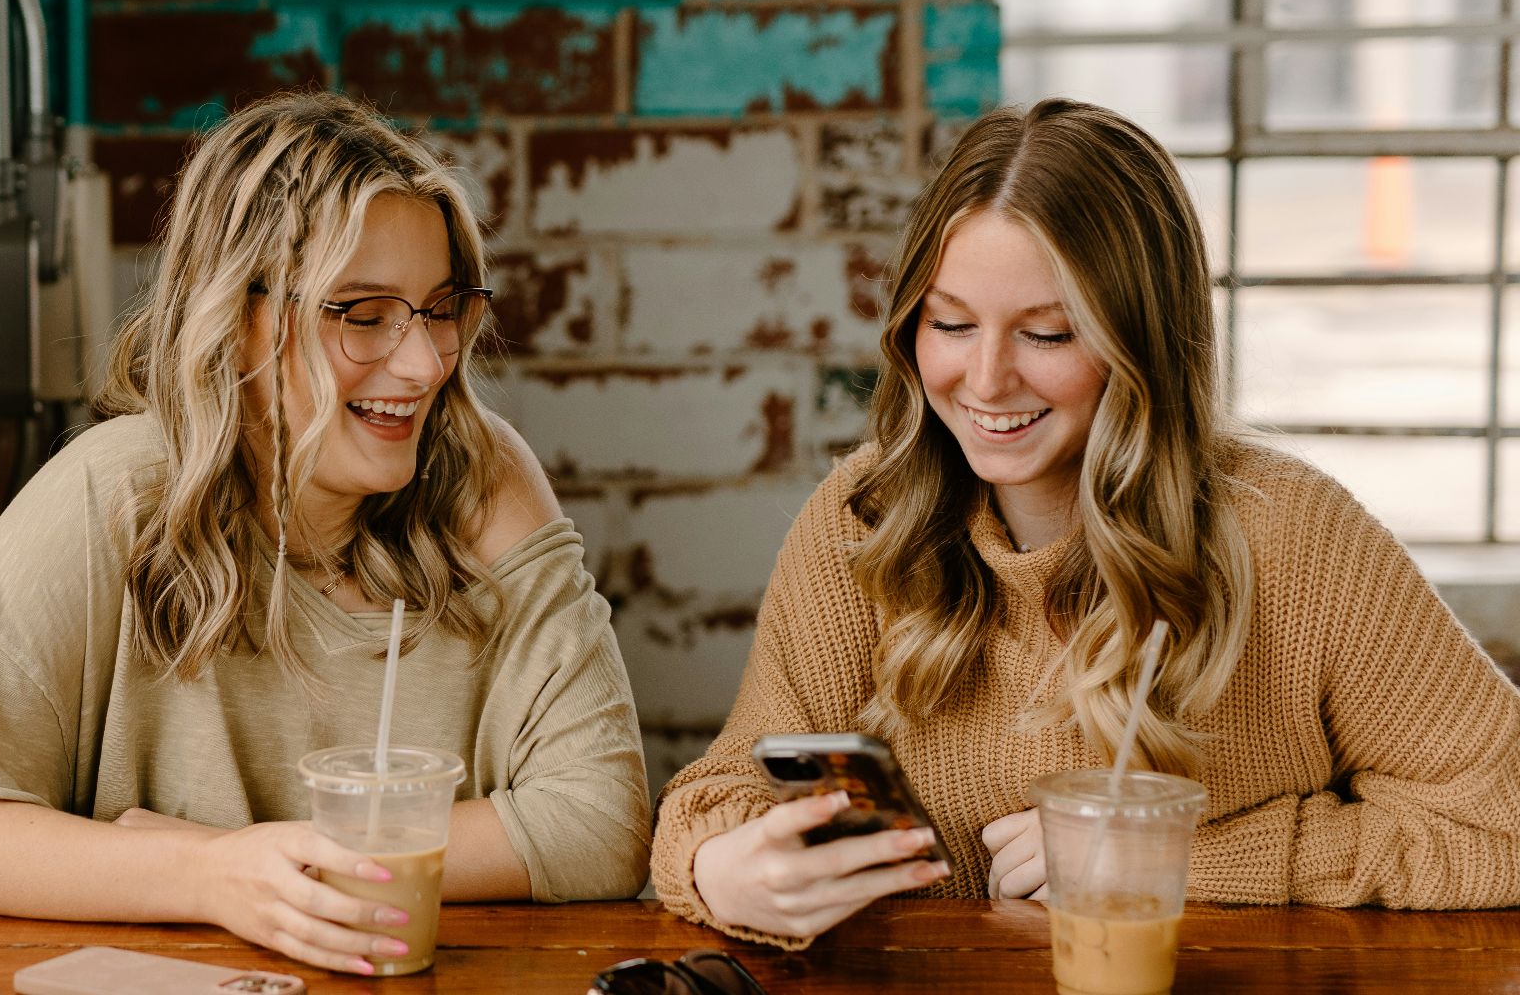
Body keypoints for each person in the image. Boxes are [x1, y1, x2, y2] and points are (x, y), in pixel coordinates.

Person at [650, 98, 1520, 948]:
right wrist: (719, 868)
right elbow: (719, 793)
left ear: (1142, 342)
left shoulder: (1291, 535)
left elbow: (1502, 826)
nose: (985, 382)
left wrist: (1177, 858)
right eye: (950, 323)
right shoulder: (865, 520)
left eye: (1050, 335)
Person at [0, 91, 652, 975]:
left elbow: (602, 821)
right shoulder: (116, 489)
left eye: (439, 307)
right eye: (363, 313)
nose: (424, 364)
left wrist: (268, 858)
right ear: (236, 322)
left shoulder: (480, 476)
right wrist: (206, 875)